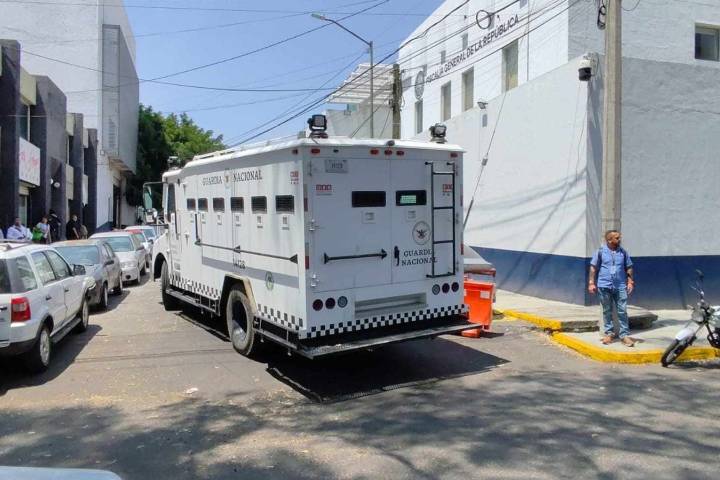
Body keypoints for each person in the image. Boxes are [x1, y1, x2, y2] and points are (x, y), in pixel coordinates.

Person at [588, 230, 636, 347]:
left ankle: (624, 335)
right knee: (607, 310)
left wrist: (630, 282)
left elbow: (629, 267)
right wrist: (591, 283)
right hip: (604, 285)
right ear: (609, 240)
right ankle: (609, 334)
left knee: (622, 310)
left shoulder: (623, 252)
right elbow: (593, 267)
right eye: (617, 238)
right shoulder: (600, 252)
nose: (619, 240)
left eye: (619, 237)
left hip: (620, 286)